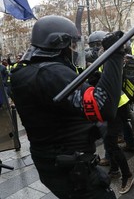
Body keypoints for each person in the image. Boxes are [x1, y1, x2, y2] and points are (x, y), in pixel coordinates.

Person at [10, 15, 126, 199]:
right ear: (58, 43)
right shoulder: (52, 73)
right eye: (72, 45)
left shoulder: (21, 71)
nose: (74, 50)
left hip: (49, 161)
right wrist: (115, 55)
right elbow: (104, 106)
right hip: (71, 167)